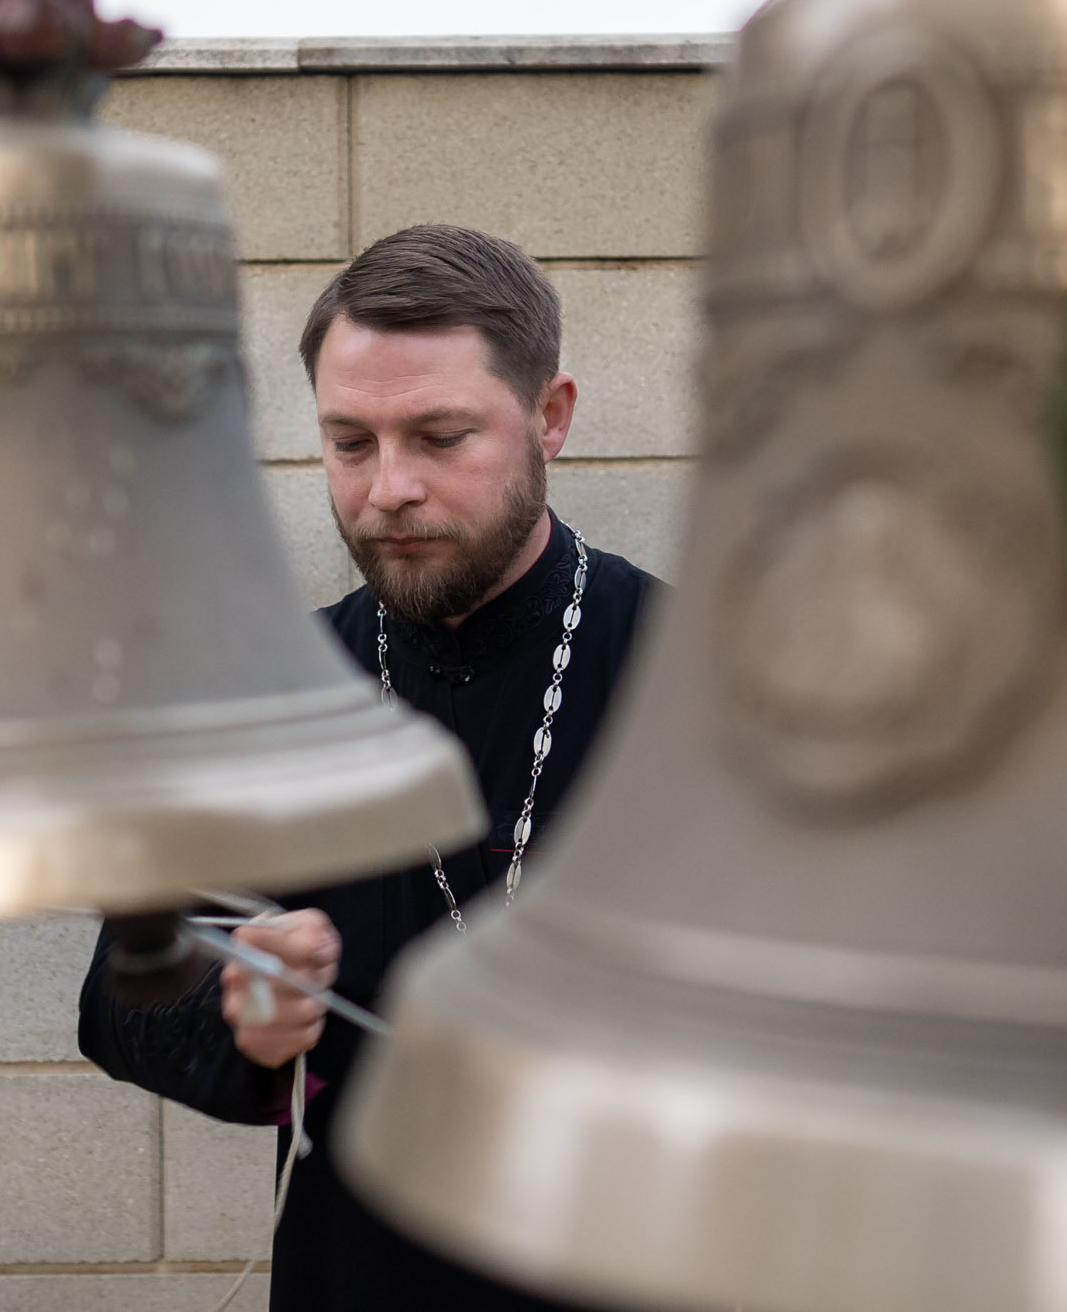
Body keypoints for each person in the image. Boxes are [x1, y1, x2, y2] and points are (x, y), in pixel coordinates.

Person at [79, 224, 663, 1311]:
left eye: (440, 436)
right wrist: (234, 1012)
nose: (388, 487)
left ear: (550, 415)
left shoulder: (702, 680)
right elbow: (124, 992)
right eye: (350, 442)